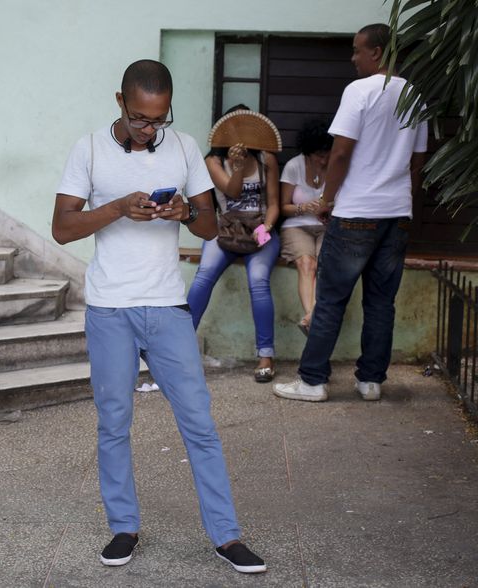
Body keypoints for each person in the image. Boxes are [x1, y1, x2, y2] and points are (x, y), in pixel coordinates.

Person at [52, 59, 266, 574]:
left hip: (168, 305)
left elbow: (212, 227)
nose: (152, 129)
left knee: (199, 422)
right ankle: (124, 527)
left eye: (160, 119)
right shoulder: (89, 148)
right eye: (143, 119)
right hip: (110, 308)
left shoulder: (186, 147)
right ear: (121, 102)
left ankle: (226, 536)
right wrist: (118, 207)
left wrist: (186, 213)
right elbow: (62, 228)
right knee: (114, 423)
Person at [273, 23, 427, 403]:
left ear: (376, 52)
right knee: (380, 301)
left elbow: (340, 153)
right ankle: (371, 382)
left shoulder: (359, 90)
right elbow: (418, 161)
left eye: (357, 50)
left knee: (330, 299)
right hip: (396, 214)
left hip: (357, 211)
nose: (353, 58)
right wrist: (404, 201)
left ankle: (312, 381)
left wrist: (327, 200)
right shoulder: (414, 95)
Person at [186, 106, 281, 383]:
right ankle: (177, 348)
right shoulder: (213, 162)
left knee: (259, 280)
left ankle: (265, 356)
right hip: (226, 231)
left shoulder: (267, 159)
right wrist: (237, 167)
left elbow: (274, 204)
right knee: (203, 277)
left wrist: (267, 228)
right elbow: (232, 191)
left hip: (261, 229)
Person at [278, 118, 333, 336]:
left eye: (327, 153)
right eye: (319, 154)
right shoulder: (294, 166)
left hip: (327, 225)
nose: (324, 159)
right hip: (297, 225)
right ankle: (312, 315)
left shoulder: (336, 167)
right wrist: (304, 208)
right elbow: (283, 207)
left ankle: (310, 320)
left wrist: (328, 208)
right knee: (306, 263)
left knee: (325, 265)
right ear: (308, 152)